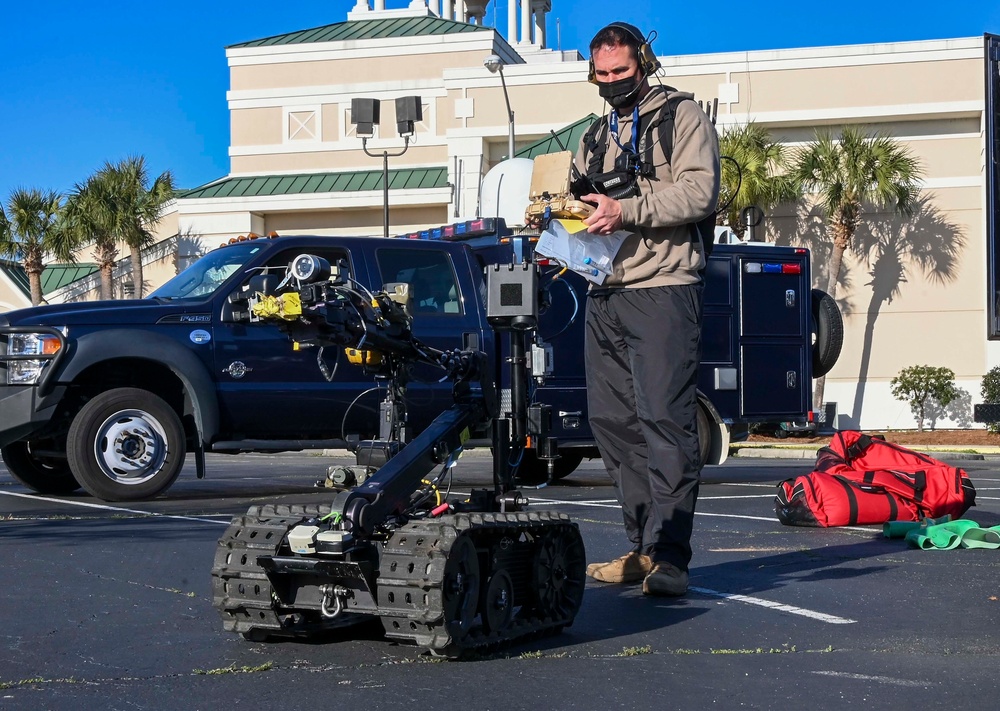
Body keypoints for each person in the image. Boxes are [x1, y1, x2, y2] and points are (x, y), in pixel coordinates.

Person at [574, 22, 720, 596]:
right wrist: (558, 226)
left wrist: (625, 210)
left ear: (645, 63)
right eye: (602, 75)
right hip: (604, 290)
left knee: (664, 419)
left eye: (622, 73)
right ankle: (639, 548)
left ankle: (671, 557)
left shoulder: (682, 116)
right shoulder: (592, 134)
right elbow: (588, 207)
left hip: (664, 286)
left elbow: (699, 192)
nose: (611, 83)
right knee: (613, 425)